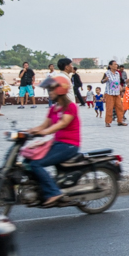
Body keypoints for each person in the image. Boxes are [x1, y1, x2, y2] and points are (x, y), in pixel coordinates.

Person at [26, 75, 80, 208]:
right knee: (27, 161)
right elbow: (43, 125)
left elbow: (62, 123)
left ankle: (54, 192)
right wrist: (28, 132)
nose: (49, 93)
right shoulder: (53, 109)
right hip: (57, 143)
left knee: (36, 164)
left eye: (51, 90)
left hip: (69, 145)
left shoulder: (70, 107)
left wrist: (45, 132)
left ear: (60, 90)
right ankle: (41, 189)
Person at [101, 60, 126, 127]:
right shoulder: (107, 73)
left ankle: (120, 121)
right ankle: (108, 122)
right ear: (110, 66)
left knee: (120, 107)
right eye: (114, 64)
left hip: (117, 93)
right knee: (109, 108)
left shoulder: (117, 73)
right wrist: (105, 80)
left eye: (116, 64)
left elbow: (121, 82)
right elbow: (102, 81)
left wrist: (127, 81)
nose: (116, 66)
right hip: (109, 93)